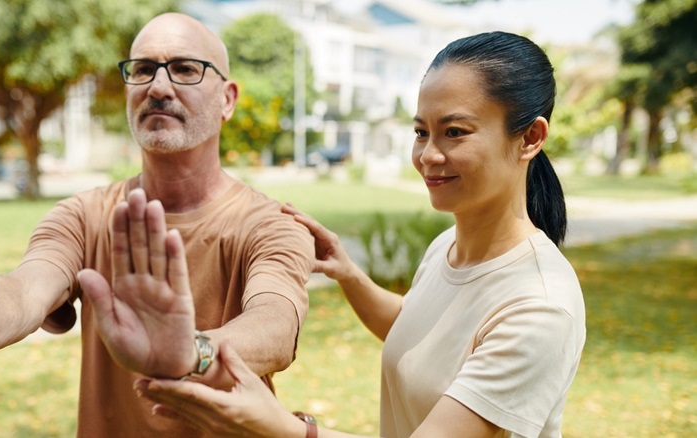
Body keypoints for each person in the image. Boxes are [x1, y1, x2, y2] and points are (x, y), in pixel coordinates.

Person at [133, 31, 587, 438]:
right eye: (420, 131)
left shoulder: (541, 306)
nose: (429, 154)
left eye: (454, 132)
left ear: (530, 138)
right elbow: (421, 333)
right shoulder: (448, 249)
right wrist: (349, 274)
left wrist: (285, 429)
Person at [0, 13, 314, 438]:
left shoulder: (271, 224)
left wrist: (194, 352)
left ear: (227, 99)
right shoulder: (83, 215)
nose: (158, 87)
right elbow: (28, 288)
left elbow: (274, 323)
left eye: (185, 69)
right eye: (143, 69)